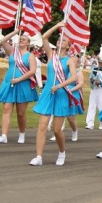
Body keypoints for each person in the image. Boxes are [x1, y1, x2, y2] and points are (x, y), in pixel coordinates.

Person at [30, 22, 80, 166]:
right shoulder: (52, 55)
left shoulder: (70, 60)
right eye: (59, 39)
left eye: (64, 40)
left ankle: (62, 152)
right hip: (48, 93)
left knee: (57, 130)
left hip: (61, 93)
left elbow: (74, 78)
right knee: (42, 126)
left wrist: (59, 85)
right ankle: (39, 157)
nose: (60, 40)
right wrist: (58, 25)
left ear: (68, 46)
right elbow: (44, 38)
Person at [0, 30, 38, 143]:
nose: (21, 40)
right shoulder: (13, 51)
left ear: (28, 43)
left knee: (21, 112)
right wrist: (15, 32)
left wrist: (19, 79)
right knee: (6, 108)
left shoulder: (30, 56)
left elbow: (32, 71)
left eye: (24, 39)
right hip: (10, 82)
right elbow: (2, 41)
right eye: (20, 38)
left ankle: (22, 134)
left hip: (23, 84)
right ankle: (4, 136)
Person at [85, 56, 102, 130]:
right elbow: (91, 77)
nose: (100, 64)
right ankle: (90, 123)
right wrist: (92, 80)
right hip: (94, 89)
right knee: (91, 105)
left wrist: (101, 82)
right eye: (99, 62)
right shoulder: (94, 69)